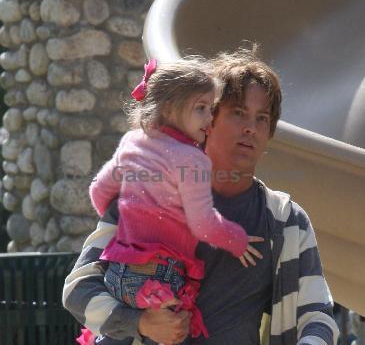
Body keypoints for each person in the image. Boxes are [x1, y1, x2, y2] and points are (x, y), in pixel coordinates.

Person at [63, 47, 339, 345]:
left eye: (262, 118)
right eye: (238, 113)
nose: (250, 128)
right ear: (206, 121)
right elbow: (78, 288)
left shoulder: (286, 220)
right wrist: (140, 323)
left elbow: (318, 316)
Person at [87, 57, 264, 341]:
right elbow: (203, 224)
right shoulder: (192, 160)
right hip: (158, 277)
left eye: (211, 109)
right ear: (170, 109)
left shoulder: (132, 141)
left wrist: (119, 226)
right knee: (173, 332)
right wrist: (237, 239)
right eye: (201, 108)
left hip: (117, 272)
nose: (209, 119)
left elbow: (99, 190)